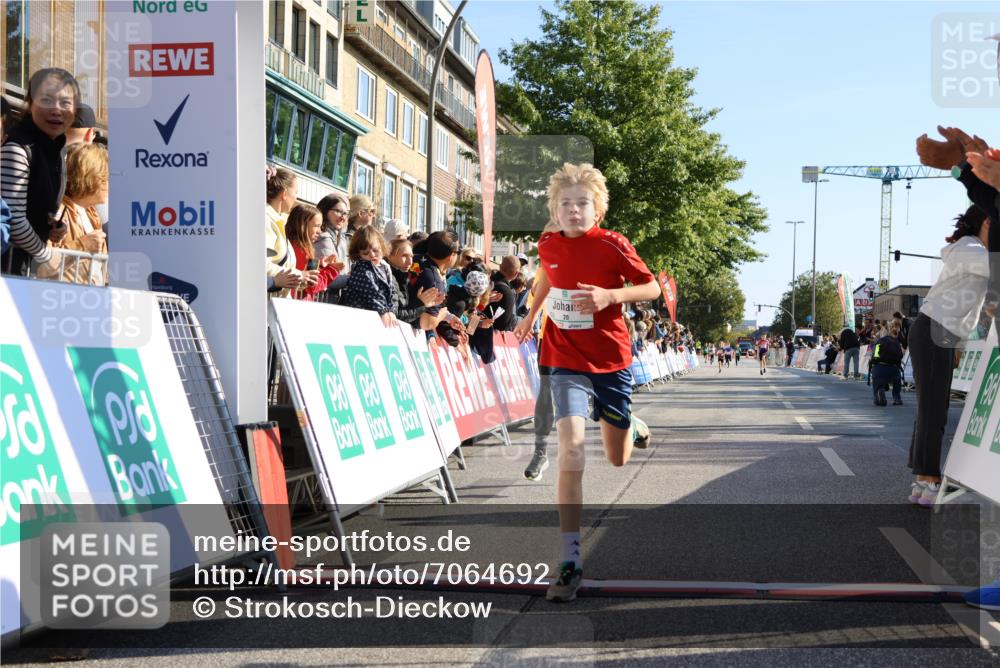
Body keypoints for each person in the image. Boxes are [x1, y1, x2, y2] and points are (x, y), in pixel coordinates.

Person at [513, 163, 658, 603]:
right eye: (565, 204)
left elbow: (651, 288)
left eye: (582, 204)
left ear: (597, 209)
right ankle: (571, 558)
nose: (573, 211)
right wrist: (531, 314)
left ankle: (629, 425)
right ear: (554, 211)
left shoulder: (614, 245)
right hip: (564, 357)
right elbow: (546, 279)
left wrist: (611, 296)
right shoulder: (546, 243)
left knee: (616, 459)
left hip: (611, 358)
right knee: (572, 447)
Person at [908, 205, 990, 506]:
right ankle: (929, 479)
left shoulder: (974, 251)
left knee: (932, 406)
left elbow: (975, 307)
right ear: (986, 222)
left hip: (940, 333)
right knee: (933, 409)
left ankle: (921, 480)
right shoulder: (970, 248)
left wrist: (959, 346)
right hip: (934, 330)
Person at [1, 68, 79, 276]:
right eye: (46, 100)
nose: (56, 110)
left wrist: (53, 225)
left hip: (26, 270)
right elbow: (12, 220)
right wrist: (46, 256)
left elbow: (34, 208)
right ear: (29, 104)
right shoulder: (17, 148)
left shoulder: (57, 149)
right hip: (8, 271)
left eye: (65, 103)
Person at [40, 143, 108, 284]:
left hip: (87, 300)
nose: (109, 185)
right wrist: (82, 245)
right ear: (92, 179)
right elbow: (43, 267)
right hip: (57, 299)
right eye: (105, 179)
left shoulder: (92, 214)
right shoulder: (58, 212)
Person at [341, 225, 399, 328]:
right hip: (358, 318)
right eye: (365, 253)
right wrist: (384, 311)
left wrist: (392, 310)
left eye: (375, 250)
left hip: (376, 316)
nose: (372, 255)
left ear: (382, 246)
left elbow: (392, 293)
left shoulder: (385, 267)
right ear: (358, 254)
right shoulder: (362, 269)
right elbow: (371, 293)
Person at [265, 166, 311, 294]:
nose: (296, 198)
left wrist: (302, 278)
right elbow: (260, 264)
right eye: (296, 192)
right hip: (267, 306)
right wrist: (299, 275)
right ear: (284, 194)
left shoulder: (278, 220)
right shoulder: (266, 220)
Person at [284, 203, 339, 301]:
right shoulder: (301, 250)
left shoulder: (299, 246)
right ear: (303, 225)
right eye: (316, 226)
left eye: (320, 226)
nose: (319, 231)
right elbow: (312, 285)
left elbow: (311, 272)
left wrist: (321, 265)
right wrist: (331, 270)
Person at [410, 230, 459, 333]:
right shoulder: (435, 283)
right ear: (451, 256)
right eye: (457, 252)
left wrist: (448, 317)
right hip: (405, 330)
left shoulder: (413, 258)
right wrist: (441, 315)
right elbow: (427, 322)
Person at [387, 237, 443, 328]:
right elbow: (396, 315)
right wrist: (421, 304)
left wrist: (421, 304)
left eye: (411, 256)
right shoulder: (388, 277)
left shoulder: (402, 276)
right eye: (404, 256)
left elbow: (404, 311)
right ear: (389, 255)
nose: (410, 262)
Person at [870, 320, 904, 406]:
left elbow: (875, 355)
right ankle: (897, 398)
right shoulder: (896, 342)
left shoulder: (879, 342)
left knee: (877, 380)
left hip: (880, 368)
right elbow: (900, 355)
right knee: (897, 380)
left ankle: (879, 392)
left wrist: (873, 363)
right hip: (893, 369)